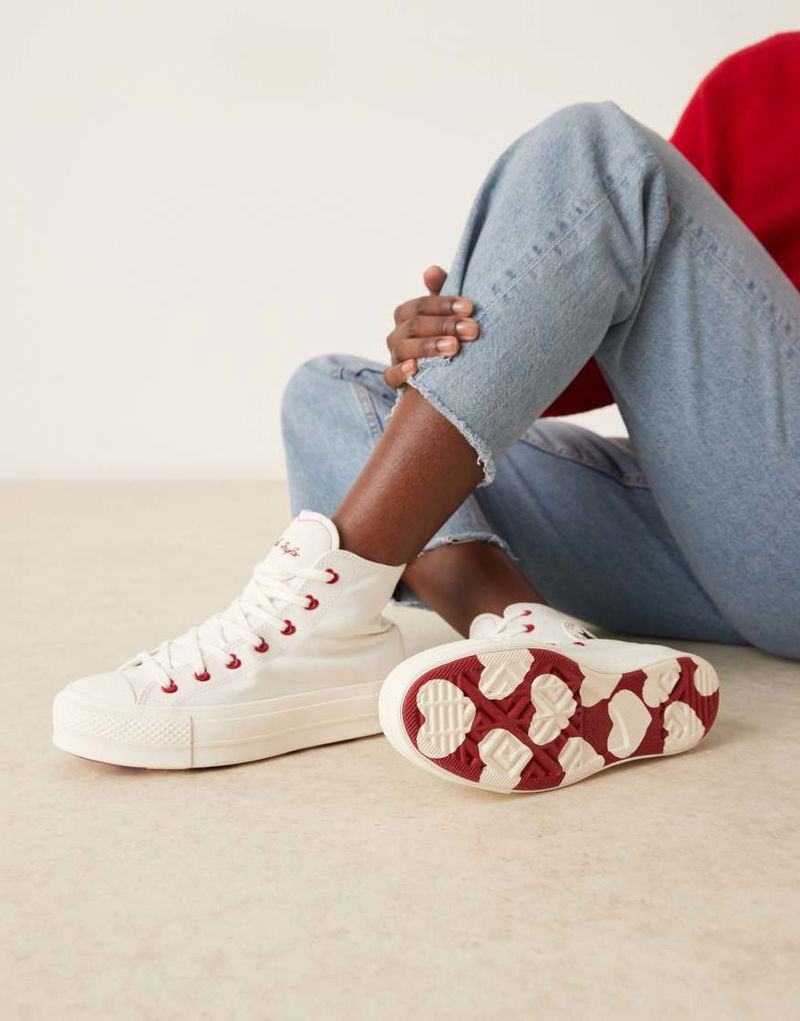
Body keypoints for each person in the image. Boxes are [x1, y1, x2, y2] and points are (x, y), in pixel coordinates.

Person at [52, 34, 800, 792]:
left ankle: (327, 613)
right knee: (335, 394)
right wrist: (485, 331)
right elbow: (657, 342)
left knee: (597, 152)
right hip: (736, 541)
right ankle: (533, 640)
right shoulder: (759, 84)